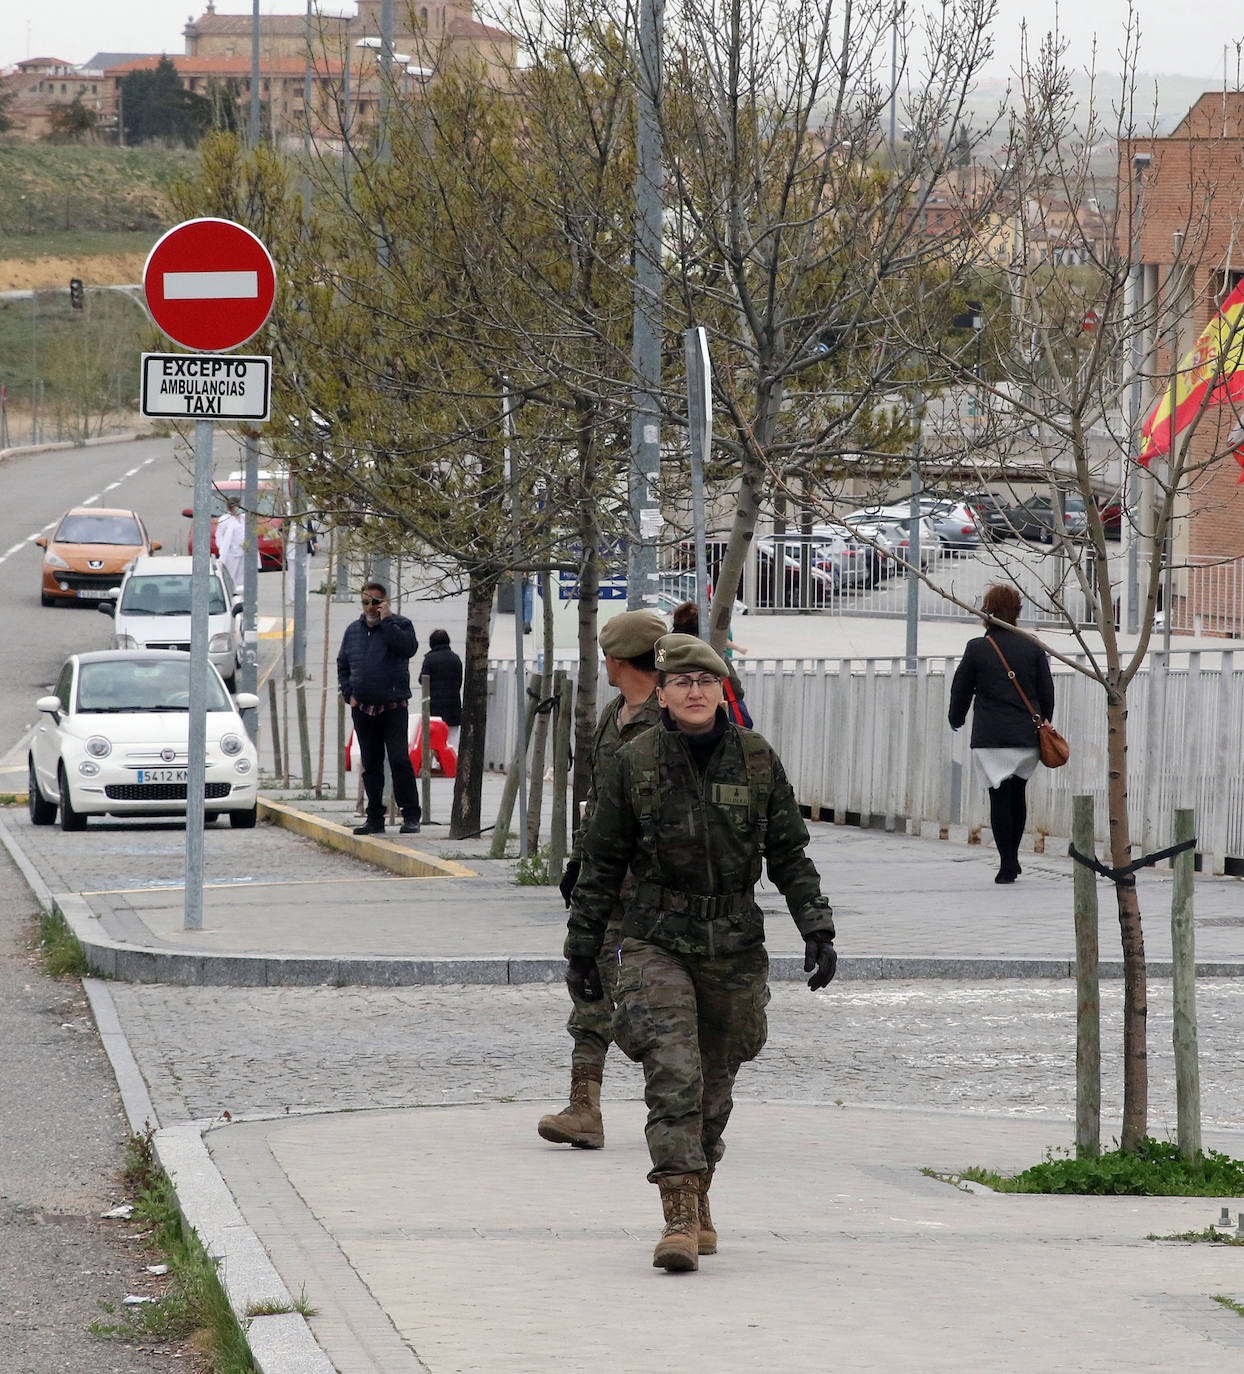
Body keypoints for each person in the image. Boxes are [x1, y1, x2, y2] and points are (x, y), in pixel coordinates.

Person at [566, 633, 837, 1272]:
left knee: (716, 1080)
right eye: (681, 683)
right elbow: (600, 862)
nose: (694, 692)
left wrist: (817, 930)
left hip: (735, 942)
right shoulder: (632, 763)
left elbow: (791, 854)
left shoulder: (756, 759)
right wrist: (582, 949)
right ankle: (678, 1216)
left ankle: (701, 1187)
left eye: (705, 682)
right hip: (658, 936)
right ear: (660, 694)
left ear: (722, 692)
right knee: (673, 1071)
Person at [539, 609, 667, 1151]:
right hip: (606, 886)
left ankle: (680, 1110)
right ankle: (583, 1104)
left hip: (660, 895)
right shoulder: (615, 716)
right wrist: (579, 862)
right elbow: (599, 807)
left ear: (617, 659)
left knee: (658, 1004)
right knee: (588, 982)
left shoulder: (672, 719)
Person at [948, 583, 1055, 884]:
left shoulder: (977, 648)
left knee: (998, 797)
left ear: (986, 611)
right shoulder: (1032, 645)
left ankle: (1007, 862)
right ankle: (1014, 857)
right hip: (1025, 737)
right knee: (1017, 793)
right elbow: (1047, 692)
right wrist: (1044, 723)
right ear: (1017, 611)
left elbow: (961, 690)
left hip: (991, 738)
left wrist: (955, 719)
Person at [337, 581, 422, 836]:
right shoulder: (353, 630)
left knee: (398, 760)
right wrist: (349, 694)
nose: (370, 607)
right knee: (371, 764)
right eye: (366, 602)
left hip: (393, 705)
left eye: (375, 601)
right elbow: (343, 665)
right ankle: (374, 817)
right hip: (362, 708)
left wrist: (387, 621)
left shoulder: (400, 625)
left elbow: (408, 649)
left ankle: (411, 815)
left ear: (384, 602)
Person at [669, 600, 751, 727]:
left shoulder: (677, 652)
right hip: (725, 709)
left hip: (719, 712)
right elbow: (735, 686)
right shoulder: (711, 650)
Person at [418, 629, 463, 752]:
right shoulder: (456, 659)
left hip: (434, 707)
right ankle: (452, 764)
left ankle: (435, 764)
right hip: (454, 706)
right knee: (452, 738)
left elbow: (422, 680)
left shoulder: (429, 659)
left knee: (434, 738)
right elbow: (459, 682)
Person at [215, 497, 246, 593]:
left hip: (243, 552)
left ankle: (241, 596)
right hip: (231, 554)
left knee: (242, 577)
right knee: (231, 575)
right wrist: (222, 548)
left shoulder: (244, 517)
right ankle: (230, 594)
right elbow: (219, 535)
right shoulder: (225, 519)